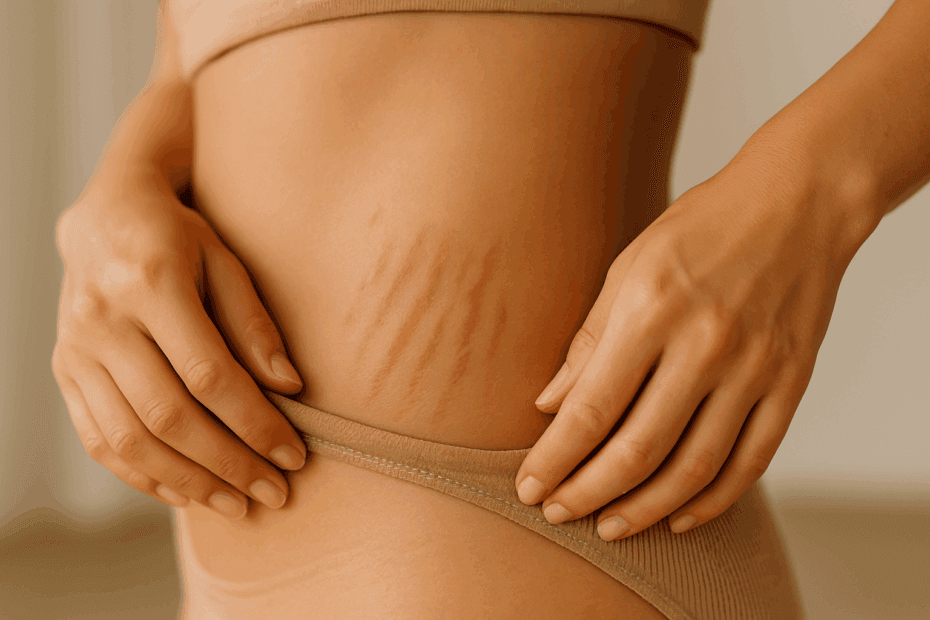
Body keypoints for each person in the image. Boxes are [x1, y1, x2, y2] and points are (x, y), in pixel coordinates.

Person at [50, 0, 928, 618]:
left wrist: (807, 195)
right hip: (223, 566)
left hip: (531, 534)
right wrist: (124, 178)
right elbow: (200, 54)